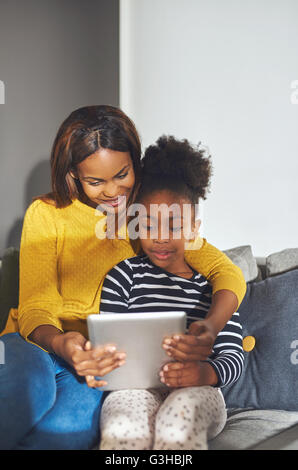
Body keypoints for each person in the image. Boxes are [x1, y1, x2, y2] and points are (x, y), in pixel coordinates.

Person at [0, 106, 246, 450]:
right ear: (73, 175)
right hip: (38, 344)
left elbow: (227, 273)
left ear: (135, 161)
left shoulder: (149, 215)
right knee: (27, 392)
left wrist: (212, 326)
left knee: (66, 434)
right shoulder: (47, 214)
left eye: (122, 174)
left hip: (95, 368)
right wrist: (62, 343)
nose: (113, 191)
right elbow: (36, 306)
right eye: (95, 181)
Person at [98, 136, 244, 450]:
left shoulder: (213, 288)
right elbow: (108, 344)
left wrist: (205, 373)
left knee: (177, 420)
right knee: (124, 425)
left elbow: (234, 357)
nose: (161, 239)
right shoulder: (124, 276)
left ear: (194, 228)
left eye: (174, 227)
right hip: (134, 389)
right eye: (149, 226)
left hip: (198, 391)